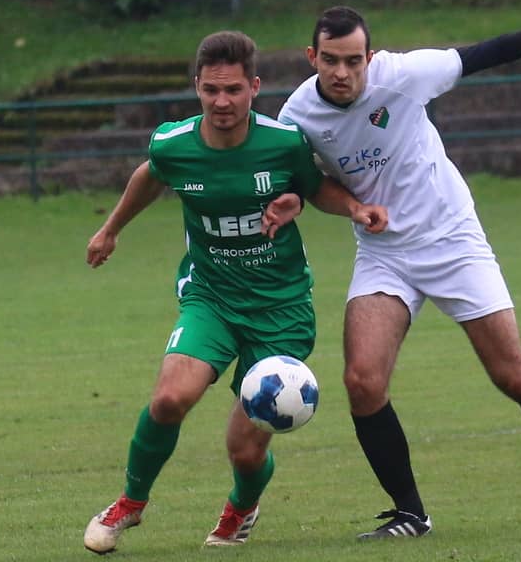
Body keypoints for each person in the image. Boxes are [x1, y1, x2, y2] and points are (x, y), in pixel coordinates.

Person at [270, 6, 521, 539]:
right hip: (385, 252)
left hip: (453, 240)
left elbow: (490, 51)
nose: (342, 72)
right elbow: (310, 184)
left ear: (370, 57)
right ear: (312, 57)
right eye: (331, 60)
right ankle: (411, 514)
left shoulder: (404, 76)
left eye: (354, 61)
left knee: (512, 375)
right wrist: (340, 206)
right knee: (362, 382)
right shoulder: (296, 117)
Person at [82, 30, 387, 555]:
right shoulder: (173, 143)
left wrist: (356, 209)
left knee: (243, 450)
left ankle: (242, 507)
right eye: (211, 90)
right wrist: (111, 230)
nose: (221, 102)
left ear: (254, 88)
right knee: (169, 398)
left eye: (233, 90)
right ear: (197, 87)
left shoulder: (284, 142)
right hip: (212, 296)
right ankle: (129, 503)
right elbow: (150, 176)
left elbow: (315, 187)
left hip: (281, 309)